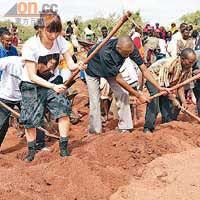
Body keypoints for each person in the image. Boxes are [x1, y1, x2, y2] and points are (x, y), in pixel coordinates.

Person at [20, 11, 86, 162]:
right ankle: (31, 152)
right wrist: (52, 86)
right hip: (31, 84)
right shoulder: (31, 45)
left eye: (57, 31)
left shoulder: (60, 40)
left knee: (63, 110)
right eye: (50, 31)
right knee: (30, 119)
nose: (53, 35)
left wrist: (78, 65)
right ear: (41, 28)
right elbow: (32, 76)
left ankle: (63, 149)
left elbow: (70, 64)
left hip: (52, 81)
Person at [85, 35, 169, 134]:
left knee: (123, 94)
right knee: (95, 100)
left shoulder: (130, 48)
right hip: (93, 68)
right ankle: (95, 131)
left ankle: (125, 127)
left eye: (129, 53)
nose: (128, 56)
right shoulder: (106, 53)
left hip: (112, 70)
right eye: (125, 54)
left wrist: (158, 87)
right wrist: (138, 95)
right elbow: (119, 79)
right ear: (118, 48)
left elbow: (144, 70)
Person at [144, 48, 197, 133]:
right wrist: (173, 99)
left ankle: (166, 126)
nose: (192, 64)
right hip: (154, 78)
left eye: (193, 62)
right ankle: (148, 128)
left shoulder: (188, 68)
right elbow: (163, 85)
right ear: (182, 59)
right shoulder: (169, 64)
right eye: (190, 62)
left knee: (167, 107)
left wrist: (183, 102)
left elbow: (180, 85)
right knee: (155, 102)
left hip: (166, 85)